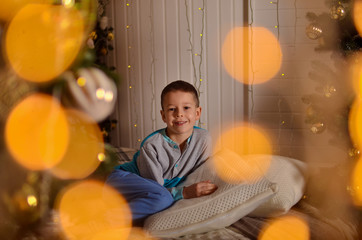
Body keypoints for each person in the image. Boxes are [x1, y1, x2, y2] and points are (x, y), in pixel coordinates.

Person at [106, 80, 218, 226]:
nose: (179, 114)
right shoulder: (151, 145)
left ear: (197, 113)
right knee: (163, 199)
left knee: (162, 198)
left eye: (186, 108)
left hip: (148, 192)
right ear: (163, 115)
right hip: (121, 181)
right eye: (172, 109)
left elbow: (201, 173)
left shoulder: (204, 139)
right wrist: (183, 193)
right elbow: (157, 190)